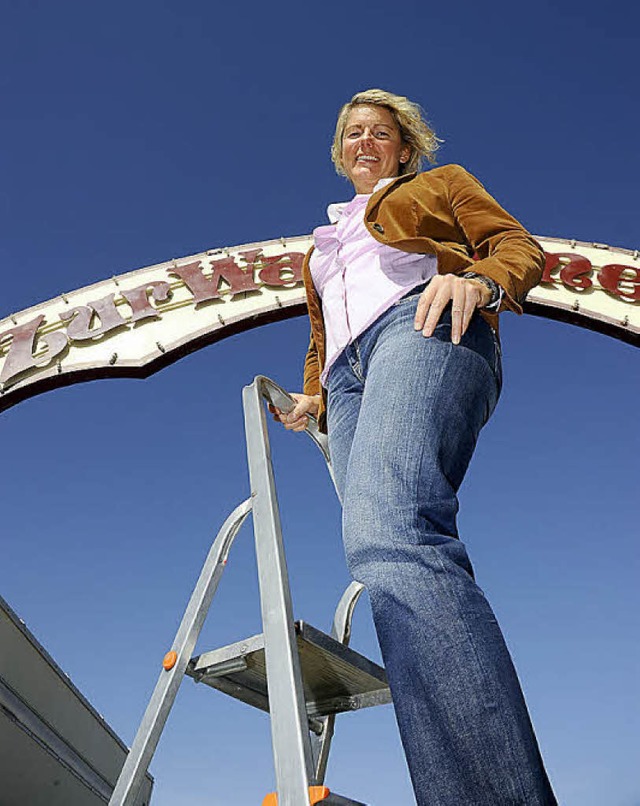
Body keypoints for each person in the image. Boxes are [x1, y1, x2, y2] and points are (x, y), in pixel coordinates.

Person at [272, 89, 557, 805]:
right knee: (377, 552)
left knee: (393, 535)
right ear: (341, 154)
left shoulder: (442, 183)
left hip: (421, 325)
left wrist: (482, 280)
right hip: (348, 383)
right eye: (352, 135)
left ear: (403, 147)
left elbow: (516, 246)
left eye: (379, 133)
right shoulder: (322, 248)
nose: (364, 142)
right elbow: (322, 338)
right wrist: (316, 393)